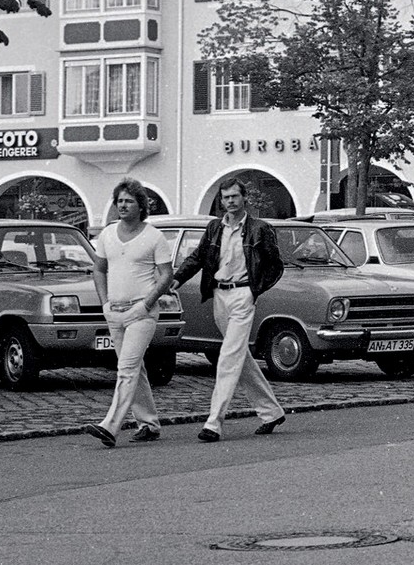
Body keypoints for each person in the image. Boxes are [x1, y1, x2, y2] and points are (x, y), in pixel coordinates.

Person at [144, 179, 286, 441]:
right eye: (226, 198)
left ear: (244, 199)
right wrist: (177, 278)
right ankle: (271, 411)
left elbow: (275, 266)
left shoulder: (260, 229)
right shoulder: (214, 228)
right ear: (221, 201)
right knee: (239, 357)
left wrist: (254, 291)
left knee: (229, 357)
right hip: (219, 295)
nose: (230, 201)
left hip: (243, 294)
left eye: (234, 197)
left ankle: (214, 423)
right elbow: (198, 257)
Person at [84, 180, 176, 448]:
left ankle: (110, 426)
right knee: (136, 370)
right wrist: (104, 305)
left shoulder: (154, 237)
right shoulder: (107, 234)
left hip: (142, 312)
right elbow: (99, 270)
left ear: (141, 206)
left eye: (129, 201)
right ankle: (148, 424)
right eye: (120, 201)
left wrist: (146, 304)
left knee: (126, 369)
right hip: (115, 311)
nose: (122, 206)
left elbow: (166, 274)